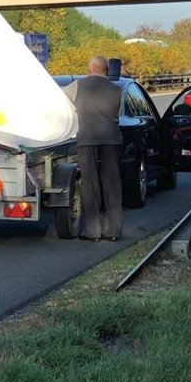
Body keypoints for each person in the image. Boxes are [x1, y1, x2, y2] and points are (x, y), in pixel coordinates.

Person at [62, 56, 123, 242]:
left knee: (90, 184)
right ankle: (113, 231)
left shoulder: (77, 86)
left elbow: (60, 99)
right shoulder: (117, 90)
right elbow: (117, 115)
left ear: (92, 68)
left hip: (86, 139)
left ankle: (93, 231)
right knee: (112, 184)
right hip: (111, 139)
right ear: (105, 69)